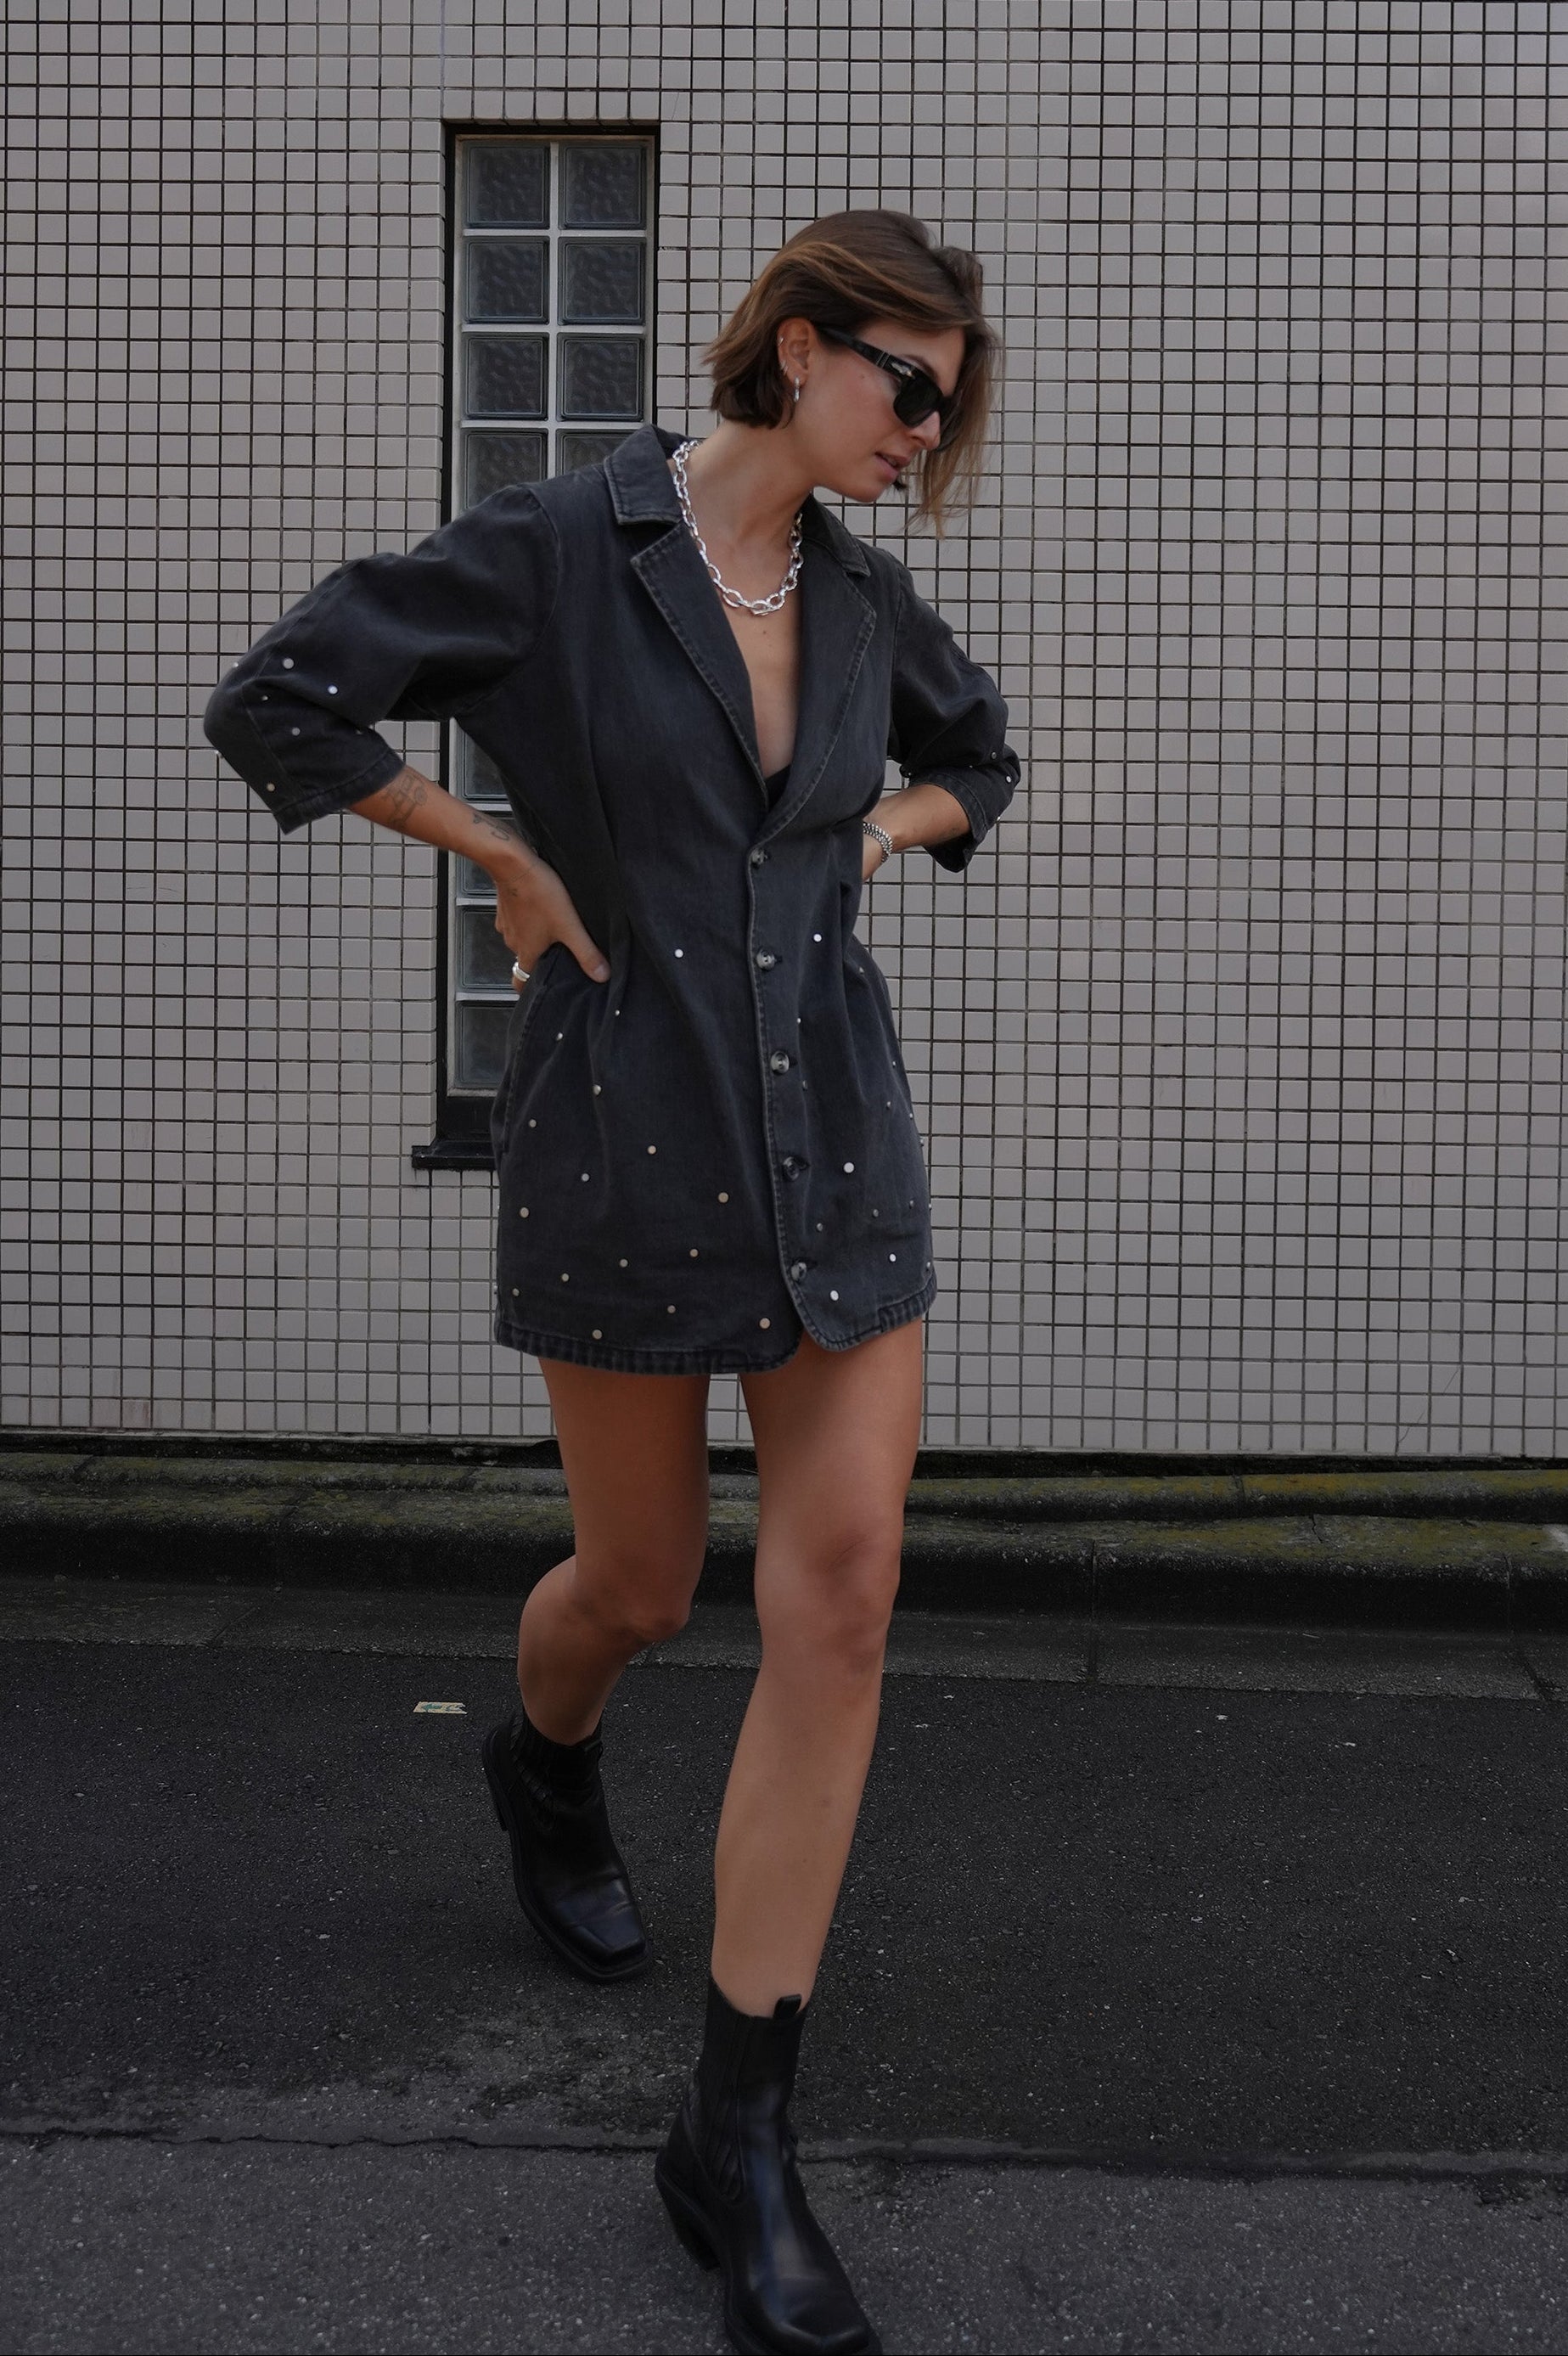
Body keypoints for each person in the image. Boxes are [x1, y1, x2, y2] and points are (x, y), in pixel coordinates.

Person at [205, 207, 1018, 2356]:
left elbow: (982, 756)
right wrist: (490, 846)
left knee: (842, 1595)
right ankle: (545, 1757)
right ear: (800, 344)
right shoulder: (566, 548)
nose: (923, 435)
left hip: (834, 1141)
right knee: (642, 1584)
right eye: (908, 386)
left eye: (947, 408)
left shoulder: (862, 601)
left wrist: (877, 833)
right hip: (631, 1133)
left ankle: (734, 2137)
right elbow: (280, 692)